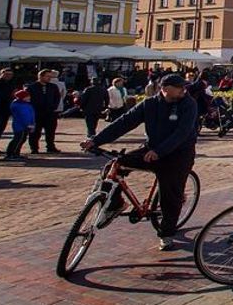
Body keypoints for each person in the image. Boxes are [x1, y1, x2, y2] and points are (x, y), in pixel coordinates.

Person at [81, 74, 198, 250]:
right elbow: (124, 122)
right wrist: (96, 141)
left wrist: (160, 151)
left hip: (178, 154)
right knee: (114, 166)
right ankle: (115, 203)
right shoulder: (150, 104)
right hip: (151, 149)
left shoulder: (188, 104)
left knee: (170, 194)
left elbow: (182, 133)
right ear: (164, 89)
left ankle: (166, 234)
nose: (184, 89)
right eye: (179, 86)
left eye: (184, 86)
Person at [26, 69, 62, 153]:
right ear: (40, 76)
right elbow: (28, 99)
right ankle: (34, 148)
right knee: (35, 132)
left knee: (50, 131)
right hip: (36, 113)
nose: (49, 78)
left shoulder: (53, 87)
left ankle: (50, 147)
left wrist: (53, 107)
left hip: (50, 113)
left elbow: (57, 97)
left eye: (50, 76)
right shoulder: (32, 87)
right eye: (47, 76)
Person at [5, 90, 36, 160]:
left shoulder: (26, 104)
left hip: (26, 125)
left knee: (22, 139)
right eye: (27, 96)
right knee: (18, 139)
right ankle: (11, 154)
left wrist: (32, 124)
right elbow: (24, 116)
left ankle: (16, 153)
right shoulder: (18, 105)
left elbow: (30, 115)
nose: (29, 97)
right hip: (20, 126)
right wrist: (29, 125)